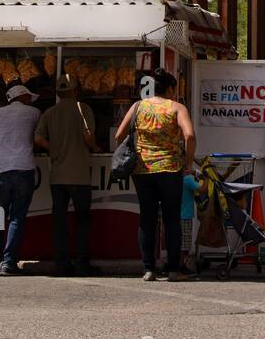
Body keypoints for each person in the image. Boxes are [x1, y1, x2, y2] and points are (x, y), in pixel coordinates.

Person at [114, 69, 195, 282]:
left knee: (147, 219)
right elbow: (189, 135)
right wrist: (187, 162)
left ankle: (149, 268)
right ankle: (173, 271)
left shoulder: (138, 106)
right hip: (170, 170)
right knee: (172, 220)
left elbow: (118, 135)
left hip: (143, 171)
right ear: (170, 89)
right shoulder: (177, 108)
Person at [34, 76, 101, 277]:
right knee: (82, 220)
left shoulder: (50, 112)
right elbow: (88, 136)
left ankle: (62, 263)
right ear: (75, 90)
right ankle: (82, 263)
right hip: (79, 175)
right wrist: (95, 147)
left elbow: (37, 137)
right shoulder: (83, 109)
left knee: (60, 222)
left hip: (57, 177)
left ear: (57, 93)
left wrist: (52, 148)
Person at [0, 84, 42, 276]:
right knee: (16, 218)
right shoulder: (34, 113)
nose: (30, 100)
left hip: (1, 173)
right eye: (29, 96)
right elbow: (39, 138)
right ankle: (8, 263)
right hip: (24, 170)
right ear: (22, 96)